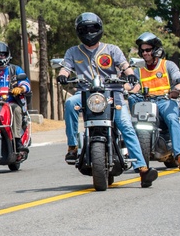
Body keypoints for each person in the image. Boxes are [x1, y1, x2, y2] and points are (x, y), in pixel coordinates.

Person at [56, 12, 159, 188]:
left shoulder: (112, 49)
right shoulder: (73, 52)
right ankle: (72, 147)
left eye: (92, 28)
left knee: (126, 125)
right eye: (84, 29)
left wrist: (131, 75)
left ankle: (142, 169)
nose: (89, 32)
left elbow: (124, 66)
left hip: (113, 95)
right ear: (78, 31)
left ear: (100, 29)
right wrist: (62, 76)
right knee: (69, 103)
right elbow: (65, 68)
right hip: (85, 95)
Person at [129, 32, 180, 170]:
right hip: (146, 102)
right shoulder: (139, 69)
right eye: (142, 50)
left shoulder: (168, 65)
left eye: (148, 50)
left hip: (165, 100)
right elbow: (135, 86)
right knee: (129, 122)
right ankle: (133, 152)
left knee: (171, 118)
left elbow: (179, 81)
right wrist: (125, 89)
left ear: (156, 50)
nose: (145, 53)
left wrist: (176, 90)